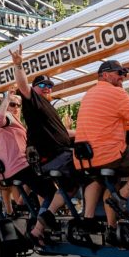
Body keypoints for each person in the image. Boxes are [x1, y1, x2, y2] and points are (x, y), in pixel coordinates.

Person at [74, 60, 129, 242]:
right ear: (105, 75)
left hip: (86, 158)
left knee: (109, 179)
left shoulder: (89, 94)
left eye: (124, 74)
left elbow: (113, 119)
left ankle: (107, 226)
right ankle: (121, 197)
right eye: (119, 73)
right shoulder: (116, 93)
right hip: (107, 155)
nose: (122, 77)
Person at [10, 45, 77, 244]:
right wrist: (19, 65)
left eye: (50, 85)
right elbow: (23, 87)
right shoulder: (34, 102)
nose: (48, 88)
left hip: (60, 153)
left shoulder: (49, 107)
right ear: (35, 89)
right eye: (43, 85)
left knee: (52, 191)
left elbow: (64, 133)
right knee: (83, 175)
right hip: (55, 157)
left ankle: (38, 229)